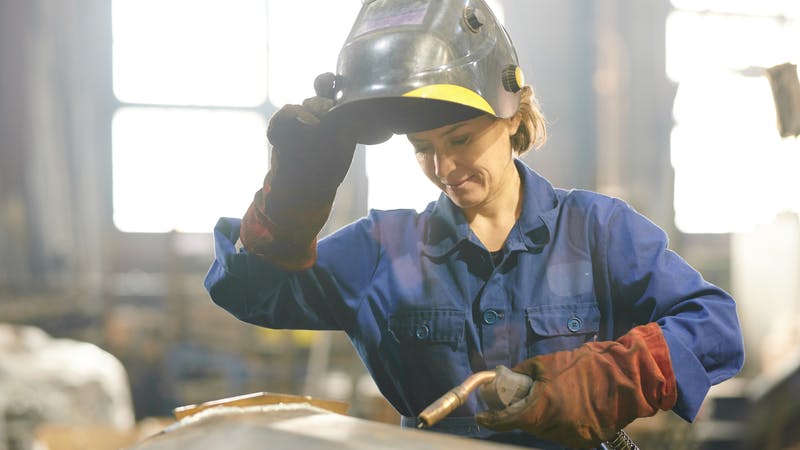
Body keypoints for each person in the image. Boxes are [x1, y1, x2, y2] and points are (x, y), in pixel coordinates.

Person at [204, 1, 744, 448]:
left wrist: (601, 378)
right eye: (423, 149)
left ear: (513, 116)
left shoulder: (597, 231)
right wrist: (295, 194)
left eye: (460, 139)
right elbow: (251, 292)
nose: (443, 169)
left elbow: (715, 327)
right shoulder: (382, 249)